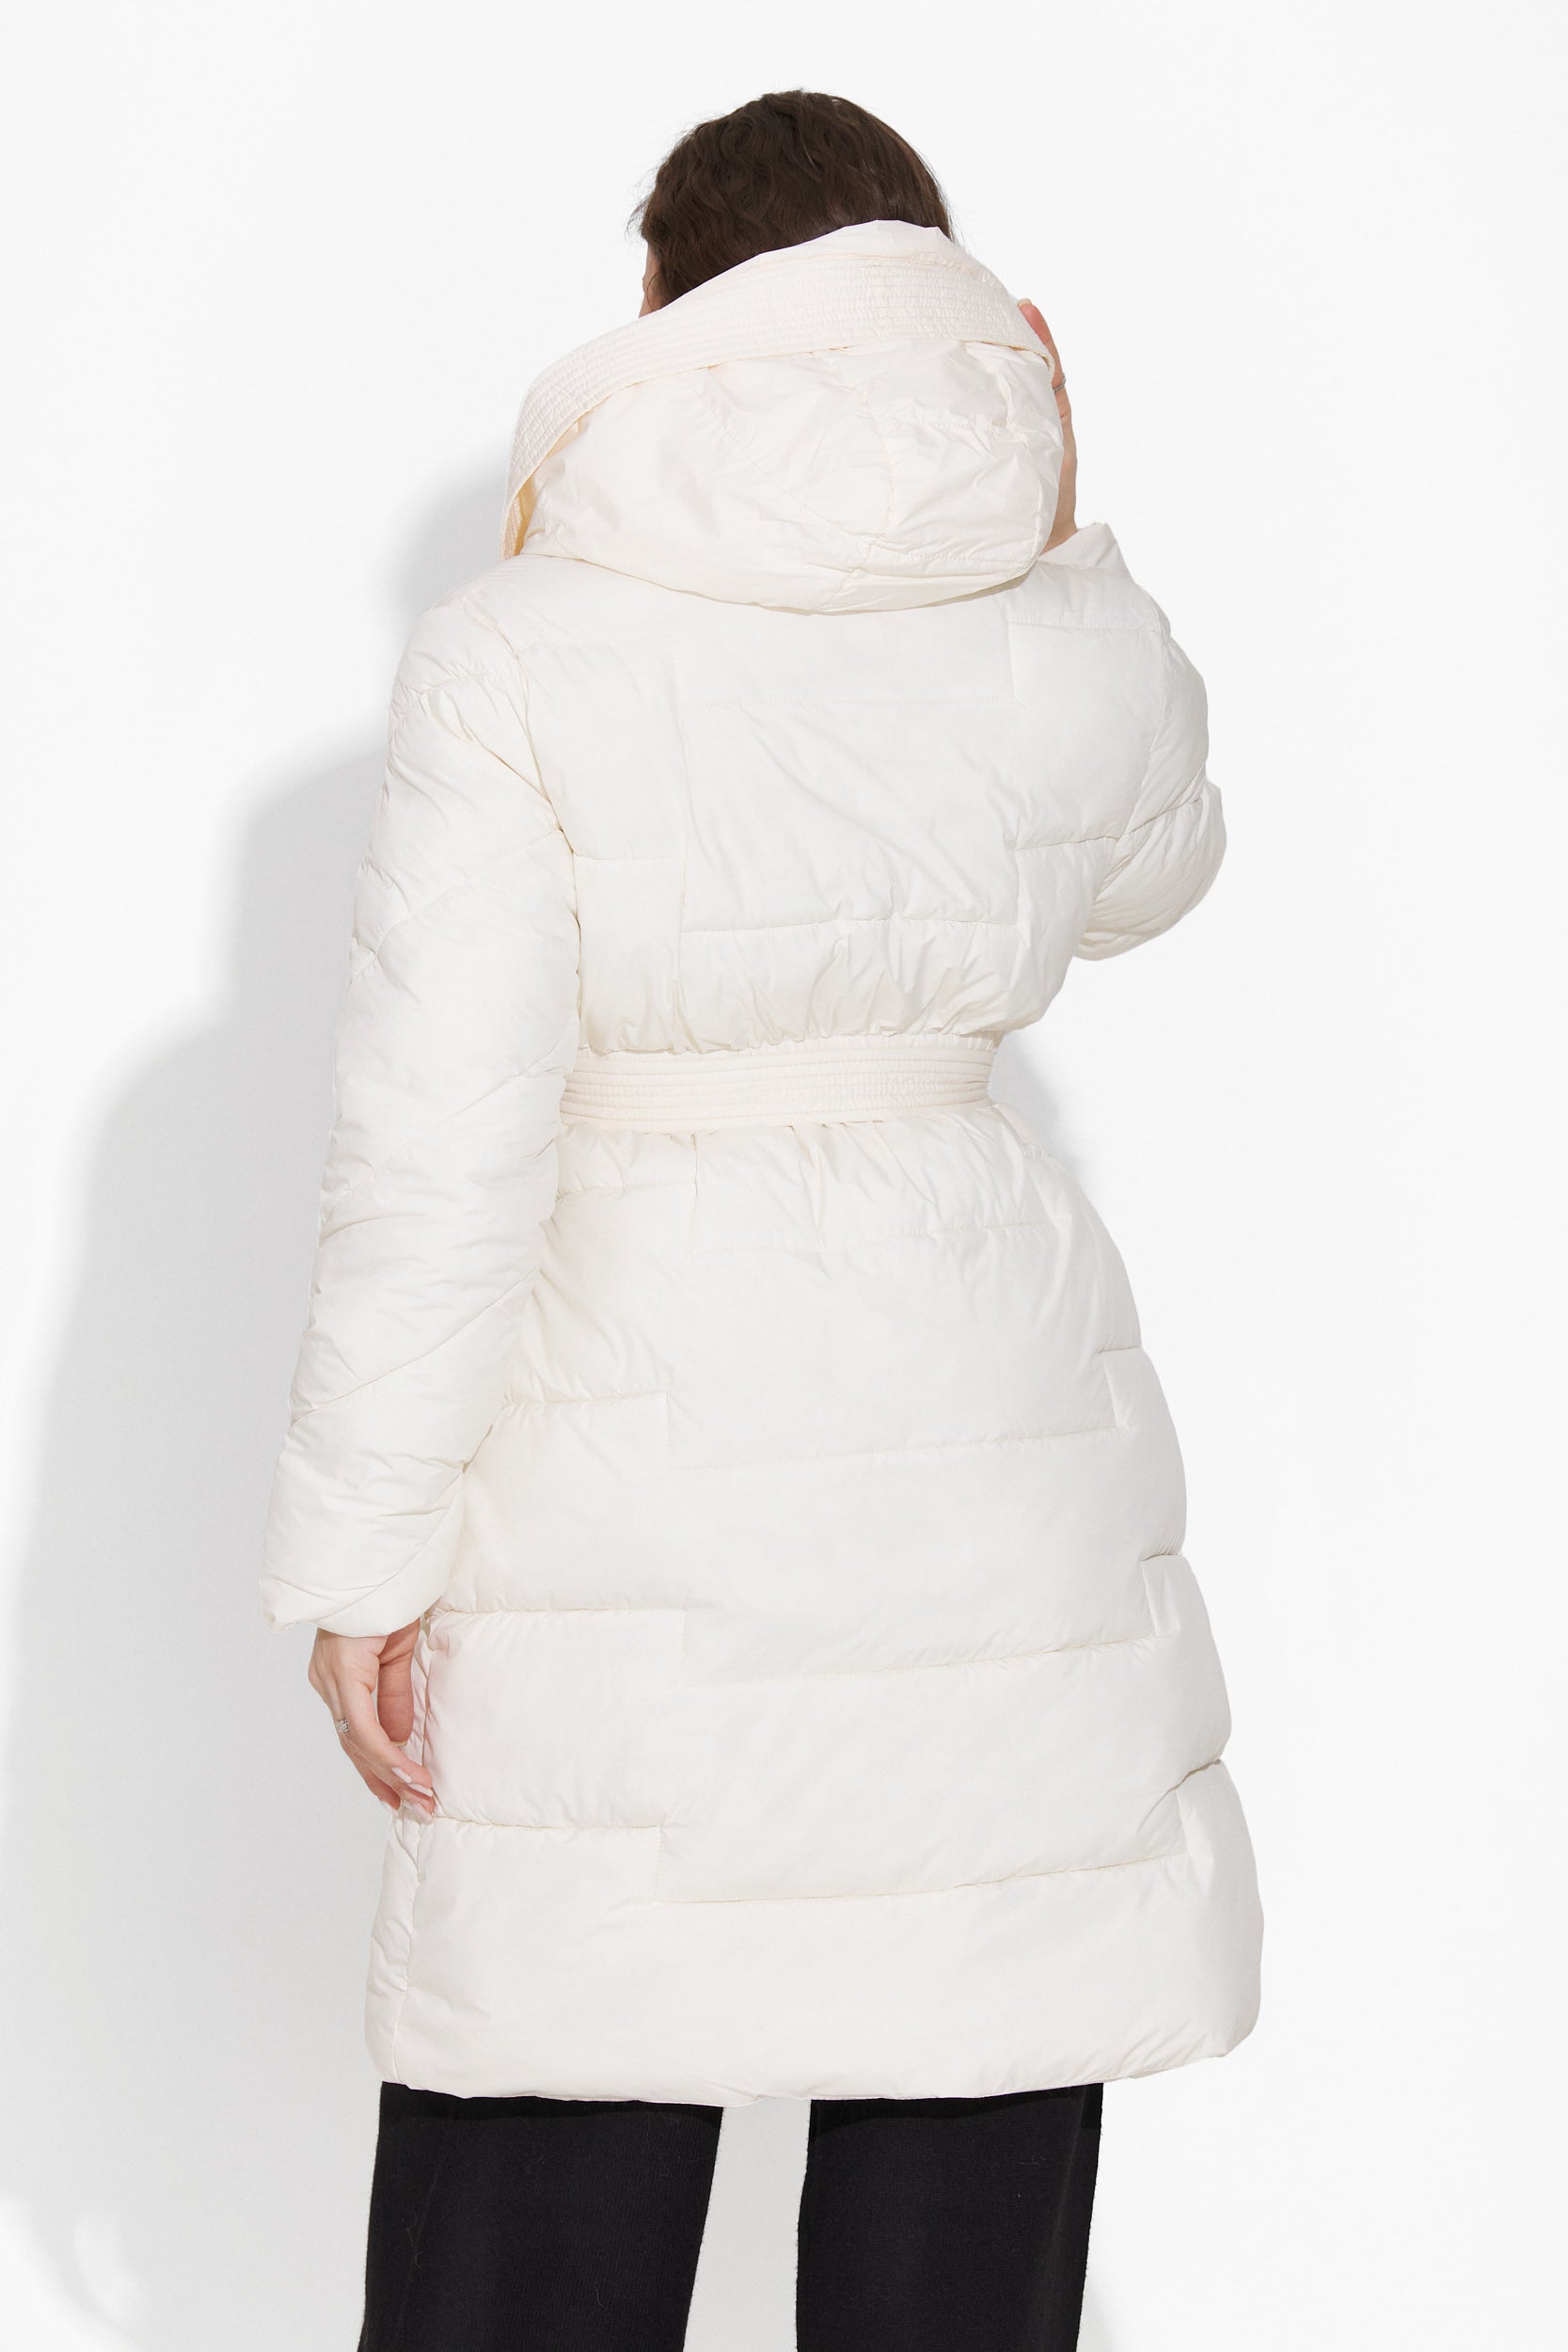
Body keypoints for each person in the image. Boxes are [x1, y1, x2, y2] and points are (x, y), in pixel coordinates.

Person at [262, 88, 1262, 2352]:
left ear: (664, 307)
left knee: (562, 2073)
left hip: (624, 1435)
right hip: (983, 1415)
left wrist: (362, 1553)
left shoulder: (523, 641)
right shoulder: (1047, 614)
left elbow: (439, 1139)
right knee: (975, 2048)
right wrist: (1062, 515)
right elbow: (1158, 865)